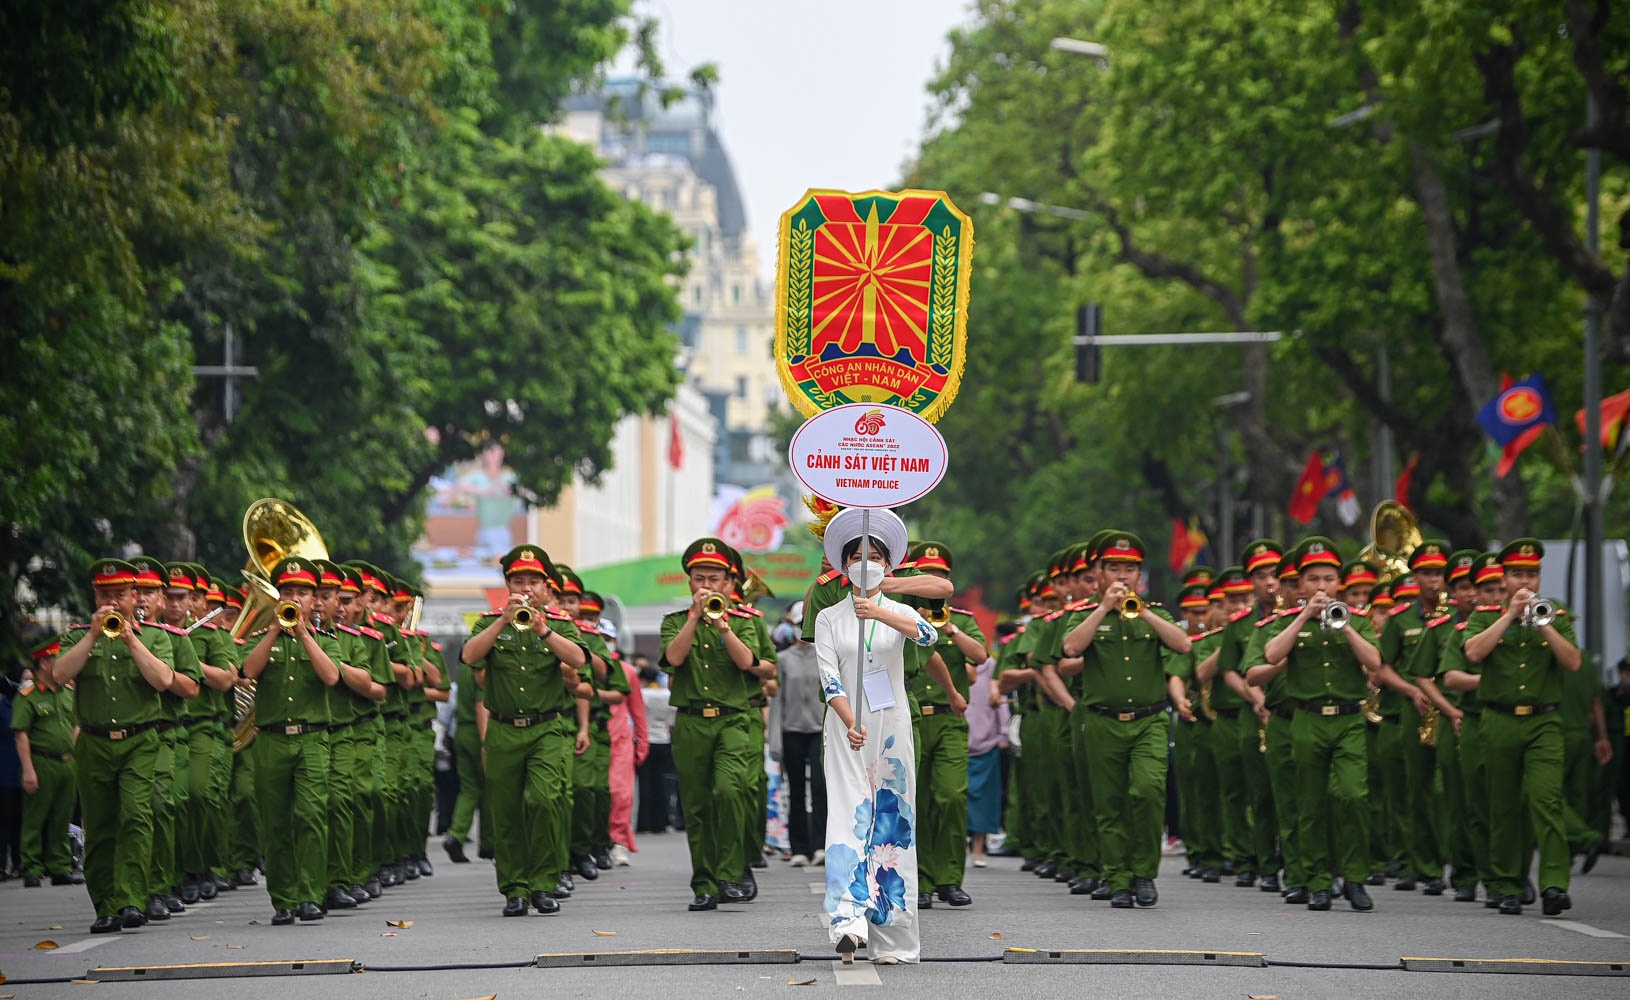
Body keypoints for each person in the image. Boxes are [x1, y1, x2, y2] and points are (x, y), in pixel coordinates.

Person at [815, 507, 938, 965]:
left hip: (892, 724)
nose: (864, 562)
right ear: (843, 565)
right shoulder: (829, 617)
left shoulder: (900, 610)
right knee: (848, 815)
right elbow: (830, 680)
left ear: (887, 565)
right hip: (849, 727)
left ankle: (896, 938)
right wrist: (850, 722)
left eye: (873, 556)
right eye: (856, 555)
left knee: (893, 818)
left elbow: (928, 636)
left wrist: (881, 613)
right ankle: (847, 921)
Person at [1452, 538, 1584, 916]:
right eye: (1517, 574)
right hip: (1499, 720)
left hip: (1544, 720)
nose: (1525, 580)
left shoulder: (1555, 613)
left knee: (1547, 800)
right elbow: (1474, 653)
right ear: (1504, 577)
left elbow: (1573, 662)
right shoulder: (1484, 615)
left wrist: (1544, 624)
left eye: (1531, 573)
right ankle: (1508, 884)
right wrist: (1509, 615)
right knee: (1504, 805)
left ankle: (1555, 885)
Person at [461, 546, 591, 917]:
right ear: (507, 584)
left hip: (547, 729)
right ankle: (515, 888)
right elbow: (470, 658)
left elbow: (579, 659)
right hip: (504, 728)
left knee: (545, 802)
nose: (527, 587)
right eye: (519, 580)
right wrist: (504, 620)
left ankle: (544, 883)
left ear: (546, 584)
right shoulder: (489, 622)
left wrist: (542, 627)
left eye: (534, 581)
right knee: (507, 811)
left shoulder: (559, 623)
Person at [52, 559, 179, 931]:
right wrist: (93, 636)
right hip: (94, 743)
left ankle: (131, 901)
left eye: (120, 595)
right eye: (105, 595)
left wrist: (130, 638)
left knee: (137, 819)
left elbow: (163, 680)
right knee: (101, 826)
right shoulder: (77, 636)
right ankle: (105, 905)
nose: (113, 602)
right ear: (95, 596)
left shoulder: (155, 636)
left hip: (140, 741)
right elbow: (59, 675)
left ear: (133, 596)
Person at [661, 539, 776, 910]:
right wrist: (696, 618)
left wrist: (724, 627)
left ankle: (732, 871)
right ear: (690, 582)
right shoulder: (675, 622)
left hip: (734, 721)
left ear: (730, 583)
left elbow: (751, 664)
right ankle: (705, 884)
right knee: (696, 806)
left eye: (714, 578)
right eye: (699, 578)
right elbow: (674, 659)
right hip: (692, 723)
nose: (706, 585)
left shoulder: (746, 623)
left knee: (729, 792)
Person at [239, 558, 342, 925]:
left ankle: (312, 895)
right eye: (288, 592)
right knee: (276, 822)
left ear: (316, 600)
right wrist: (273, 630)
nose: (295, 599)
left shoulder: (327, 640)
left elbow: (331, 677)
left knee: (311, 816)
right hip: (270, 741)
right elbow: (247, 672)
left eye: (303, 592)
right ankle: (283, 898)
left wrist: (303, 635)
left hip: (312, 740)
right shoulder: (261, 639)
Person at [906, 541, 983, 907]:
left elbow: (981, 656)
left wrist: (950, 628)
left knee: (951, 796)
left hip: (950, 720)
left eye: (940, 576)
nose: (934, 580)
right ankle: (919, 880)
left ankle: (949, 879)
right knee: (916, 800)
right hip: (911, 717)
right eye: (926, 575)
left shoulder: (962, 619)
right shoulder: (900, 615)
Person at [15, 638, 78, 887]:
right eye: (57, 660)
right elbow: (21, 734)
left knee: (63, 816)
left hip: (67, 762)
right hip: (42, 761)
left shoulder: (67, 693)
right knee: (35, 816)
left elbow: (76, 724)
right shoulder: (28, 696)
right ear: (44, 663)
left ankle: (59, 865)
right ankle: (31, 867)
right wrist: (28, 770)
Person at [771, 602, 827, 867]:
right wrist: (775, 739)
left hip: (820, 730)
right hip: (791, 730)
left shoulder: (825, 655)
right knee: (794, 790)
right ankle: (799, 848)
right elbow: (777, 701)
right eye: (797, 623)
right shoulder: (782, 660)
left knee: (820, 788)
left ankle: (821, 845)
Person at [967, 651, 1010, 868]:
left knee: (984, 802)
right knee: (953, 802)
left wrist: (1003, 733)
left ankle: (978, 851)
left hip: (986, 743)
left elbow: (1000, 697)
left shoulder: (992, 666)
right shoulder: (950, 659)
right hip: (958, 740)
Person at [634, 655, 679, 834]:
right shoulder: (667, 695)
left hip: (645, 741)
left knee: (645, 784)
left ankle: (644, 822)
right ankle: (660, 822)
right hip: (664, 741)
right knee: (662, 783)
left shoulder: (642, 695)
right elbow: (672, 721)